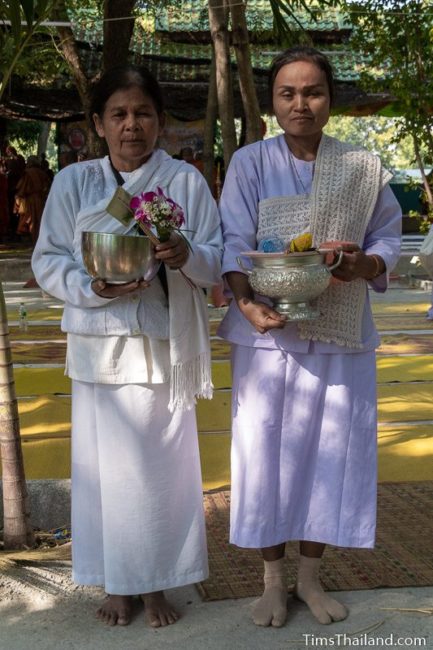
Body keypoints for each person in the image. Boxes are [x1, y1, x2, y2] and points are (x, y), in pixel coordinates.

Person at [32, 65, 222, 628]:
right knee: (104, 472)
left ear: (161, 123)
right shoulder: (75, 184)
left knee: (159, 470)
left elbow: (215, 253)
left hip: (160, 342)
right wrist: (92, 286)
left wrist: (187, 254)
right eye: (118, 114)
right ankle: (118, 582)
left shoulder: (183, 181)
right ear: (98, 124)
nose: (131, 125)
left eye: (142, 113)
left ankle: (157, 582)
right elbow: (48, 260)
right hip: (97, 343)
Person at [217, 46, 401, 629]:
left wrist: (363, 266)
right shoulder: (249, 163)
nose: (301, 104)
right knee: (265, 453)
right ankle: (272, 581)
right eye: (288, 93)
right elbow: (231, 239)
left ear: (330, 99)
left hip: (341, 333)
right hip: (268, 338)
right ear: (273, 102)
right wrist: (246, 302)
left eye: (313, 92)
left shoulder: (362, 167)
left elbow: (388, 239)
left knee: (332, 453)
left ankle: (310, 579)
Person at [15, 155, 51, 245]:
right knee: (40, 220)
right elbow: (48, 187)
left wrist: (18, 199)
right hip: (41, 200)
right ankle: (41, 241)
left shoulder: (27, 173)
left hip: (30, 200)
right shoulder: (42, 173)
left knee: (32, 220)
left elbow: (21, 188)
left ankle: (34, 241)